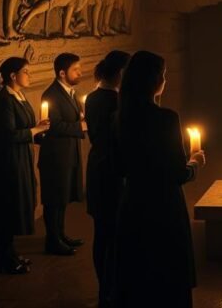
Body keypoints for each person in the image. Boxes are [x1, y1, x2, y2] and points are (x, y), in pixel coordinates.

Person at [113, 51, 206, 308]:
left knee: (139, 275)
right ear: (155, 81)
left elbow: (121, 166)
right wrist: (195, 162)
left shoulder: (122, 117)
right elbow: (177, 173)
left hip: (133, 203)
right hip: (163, 207)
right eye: (163, 75)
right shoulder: (165, 119)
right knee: (167, 275)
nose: (165, 80)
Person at [0, 57, 49, 274]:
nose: (29, 75)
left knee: (17, 203)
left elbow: (28, 128)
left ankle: (11, 253)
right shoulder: (4, 100)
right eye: (26, 71)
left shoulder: (19, 96)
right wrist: (34, 131)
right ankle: (3, 258)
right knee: (8, 204)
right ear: (13, 76)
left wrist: (40, 132)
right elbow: (8, 134)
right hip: (8, 160)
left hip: (21, 157)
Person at [86, 50, 131, 308]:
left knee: (101, 233)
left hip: (97, 168)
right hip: (113, 172)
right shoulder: (117, 101)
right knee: (114, 234)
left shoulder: (92, 97)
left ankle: (105, 290)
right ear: (122, 73)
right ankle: (113, 292)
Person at [39, 52, 86, 254]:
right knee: (54, 198)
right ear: (61, 73)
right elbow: (54, 126)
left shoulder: (70, 92)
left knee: (63, 196)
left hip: (68, 154)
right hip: (56, 156)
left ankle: (60, 234)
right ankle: (53, 239)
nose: (80, 72)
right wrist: (80, 125)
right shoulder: (51, 94)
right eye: (75, 69)